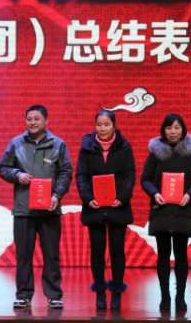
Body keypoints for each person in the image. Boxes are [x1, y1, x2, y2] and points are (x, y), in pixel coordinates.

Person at [0, 105, 73, 309]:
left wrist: (57, 195)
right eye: (29, 119)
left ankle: (53, 295)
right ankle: (23, 295)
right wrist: (17, 175)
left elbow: (66, 172)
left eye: (37, 119)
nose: (32, 122)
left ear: (46, 121)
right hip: (24, 210)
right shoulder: (16, 142)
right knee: (23, 255)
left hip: (50, 209)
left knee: (51, 254)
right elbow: (2, 167)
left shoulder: (58, 144)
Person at [140, 113, 191, 311]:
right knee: (162, 254)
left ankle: (180, 297)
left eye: (177, 127)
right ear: (163, 130)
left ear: (183, 129)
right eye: (169, 128)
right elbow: (145, 179)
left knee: (181, 254)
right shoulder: (155, 153)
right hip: (161, 208)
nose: (173, 132)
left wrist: (189, 194)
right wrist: (155, 194)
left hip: (183, 209)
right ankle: (164, 296)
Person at [75, 110, 136, 310]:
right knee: (97, 250)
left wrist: (122, 197)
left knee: (117, 250)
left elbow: (130, 175)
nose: (102, 128)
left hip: (118, 205)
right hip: (95, 206)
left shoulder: (124, 147)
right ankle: (100, 292)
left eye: (107, 124)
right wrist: (88, 198)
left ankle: (116, 292)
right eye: (99, 124)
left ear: (114, 126)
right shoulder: (87, 147)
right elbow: (81, 176)